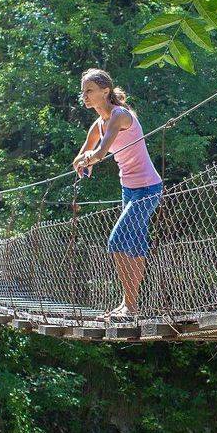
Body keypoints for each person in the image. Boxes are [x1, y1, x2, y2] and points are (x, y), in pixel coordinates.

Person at [73, 68, 162, 319]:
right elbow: (82, 156)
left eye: (89, 90)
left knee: (117, 241)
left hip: (148, 188)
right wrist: (82, 162)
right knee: (135, 247)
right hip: (128, 189)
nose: (85, 96)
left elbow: (101, 152)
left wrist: (90, 159)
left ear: (105, 91)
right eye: (83, 91)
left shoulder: (119, 115)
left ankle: (129, 306)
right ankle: (131, 307)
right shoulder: (98, 125)